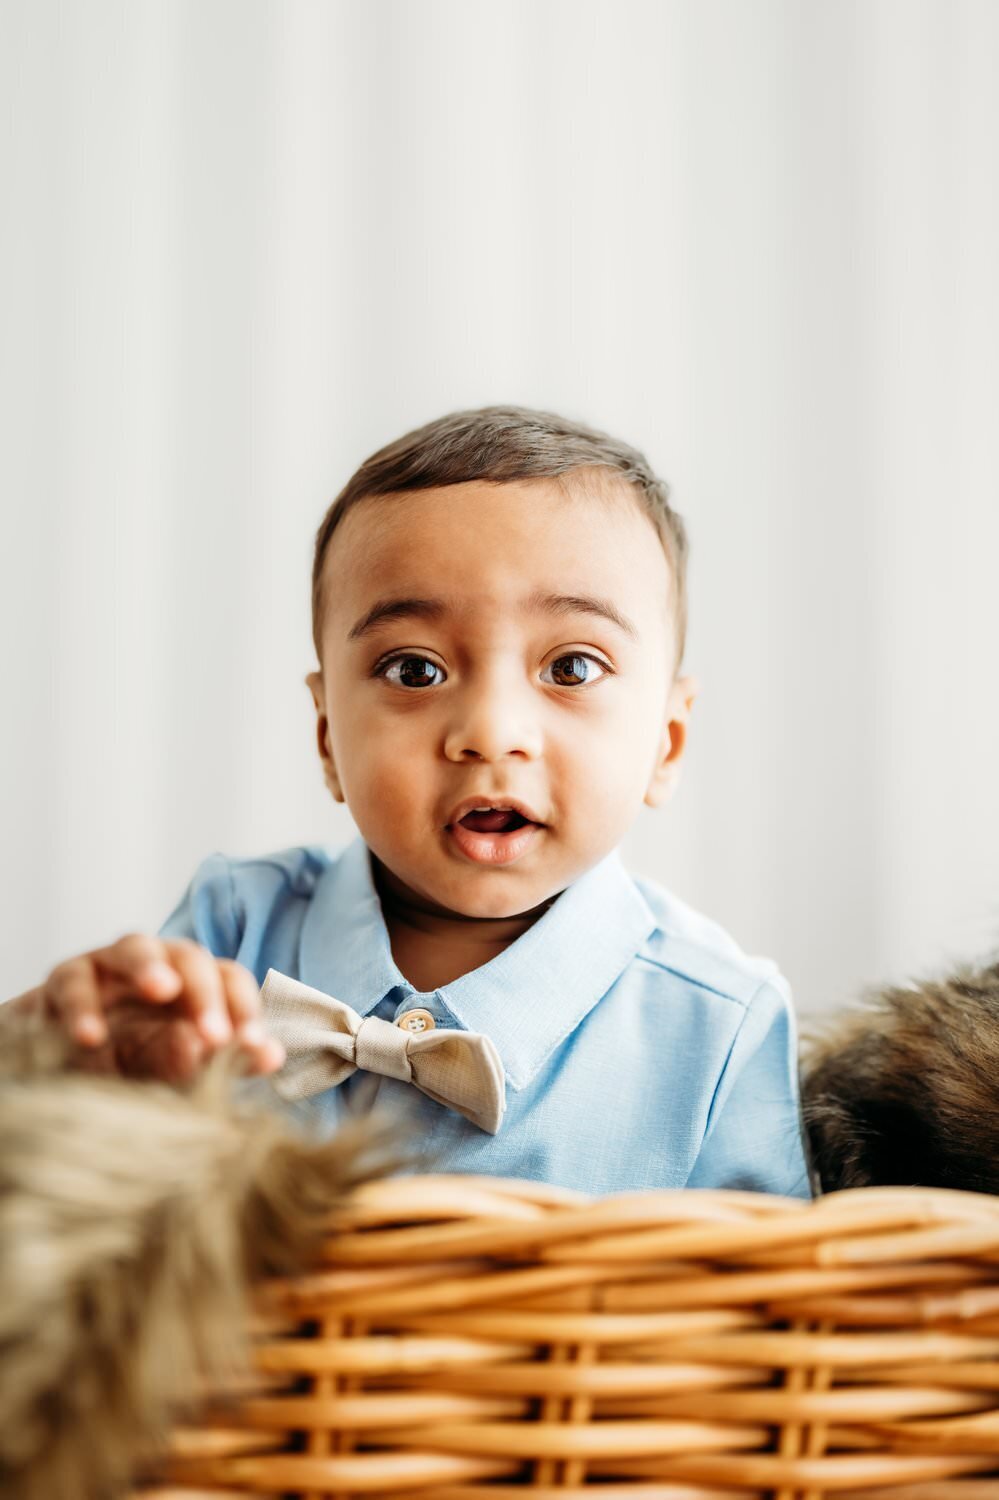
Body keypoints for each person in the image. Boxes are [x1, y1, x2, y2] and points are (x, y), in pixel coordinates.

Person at [14, 406, 812, 1198]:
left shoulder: (720, 1025)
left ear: (665, 743)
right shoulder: (230, 933)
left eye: (570, 668)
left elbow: (774, 1310)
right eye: (413, 670)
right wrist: (50, 1055)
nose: (490, 733)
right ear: (328, 738)